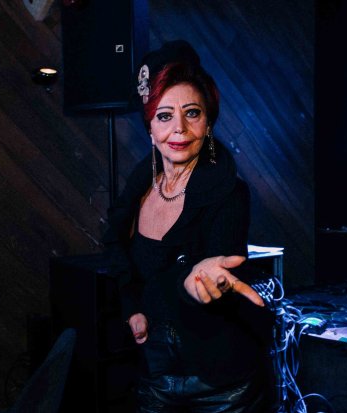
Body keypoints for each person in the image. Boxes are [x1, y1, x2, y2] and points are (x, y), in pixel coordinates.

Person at [102, 40, 276, 413]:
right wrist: (132, 306)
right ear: (150, 128)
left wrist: (194, 284)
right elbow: (115, 244)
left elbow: (215, 271)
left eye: (192, 113)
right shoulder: (141, 183)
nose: (179, 129)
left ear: (208, 123)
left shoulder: (229, 192)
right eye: (164, 116)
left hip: (223, 386)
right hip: (156, 376)